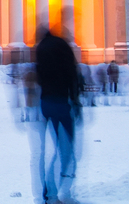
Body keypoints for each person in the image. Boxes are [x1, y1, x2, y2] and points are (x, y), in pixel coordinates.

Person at [34, 26, 82, 204]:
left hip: (46, 101)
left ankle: (49, 192)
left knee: (50, 149)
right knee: (67, 148)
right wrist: (75, 100)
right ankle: (63, 191)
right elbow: (72, 74)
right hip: (62, 102)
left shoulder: (41, 49)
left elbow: (38, 76)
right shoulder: (62, 47)